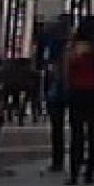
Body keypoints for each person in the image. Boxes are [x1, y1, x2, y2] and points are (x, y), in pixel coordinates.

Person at [63, 15, 94, 185]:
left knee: (76, 134)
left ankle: (74, 173)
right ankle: (90, 173)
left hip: (77, 92)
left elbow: (66, 69)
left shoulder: (74, 47)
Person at [36, 13, 71, 174]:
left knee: (57, 126)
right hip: (73, 87)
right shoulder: (74, 41)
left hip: (55, 88)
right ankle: (77, 157)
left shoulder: (47, 38)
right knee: (78, 125)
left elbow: (39, 62)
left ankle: (58, 161)